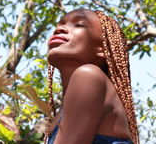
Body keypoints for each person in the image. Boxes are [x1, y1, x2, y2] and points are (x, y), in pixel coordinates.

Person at [44, 9, 139, 144]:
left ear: (103, 49)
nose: (60, 29)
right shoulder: (61, 112)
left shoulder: (89, 75)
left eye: (79, 25)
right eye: (59, 25)